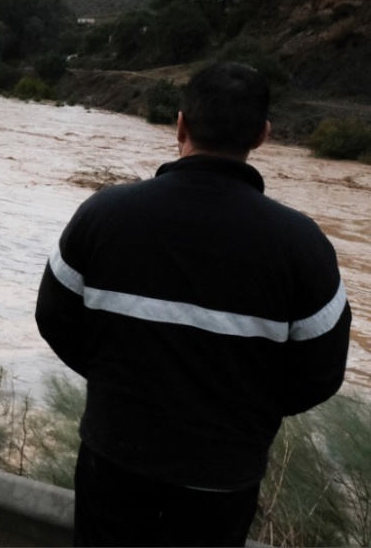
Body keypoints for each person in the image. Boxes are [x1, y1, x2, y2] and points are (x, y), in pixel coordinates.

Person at [36, 62, 350, 547]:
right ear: (263, 136)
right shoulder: (302, 245)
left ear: (179, 125)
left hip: (114, 460)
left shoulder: (105, 214)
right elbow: (321, 373)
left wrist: (117, 383)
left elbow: (54, 319)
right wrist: (243, 412)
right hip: (223, 477)